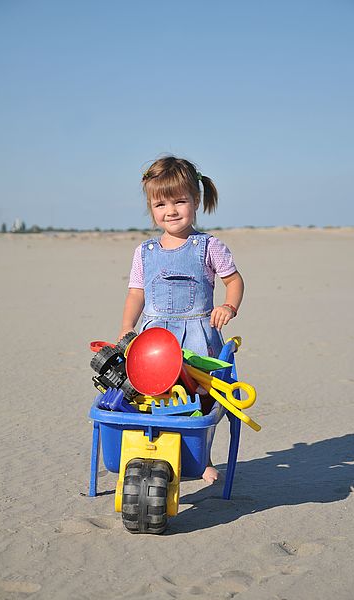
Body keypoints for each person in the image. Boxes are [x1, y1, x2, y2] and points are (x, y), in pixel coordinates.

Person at [118, 156, 245, 484]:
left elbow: (234, 281)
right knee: (153, 396)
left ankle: (200, 459)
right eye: (160, 204)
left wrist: (228, 308)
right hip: (155, 335)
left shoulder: (209, 246)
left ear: (197, 200)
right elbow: (136, 293)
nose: (170, 210)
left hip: (199, 334)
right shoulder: (144, 251)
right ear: (150, 207)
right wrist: (126, 327)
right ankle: (154, 451)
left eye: (179, 201)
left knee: (202, 399)